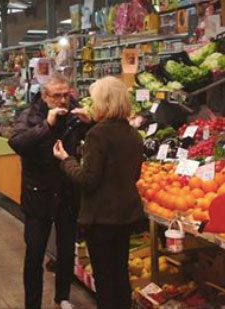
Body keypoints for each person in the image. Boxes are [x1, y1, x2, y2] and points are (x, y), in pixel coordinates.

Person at [53, 76, 145, 309]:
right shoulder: (134, 135)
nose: (93, 106)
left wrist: (67, 160)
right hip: (125, 216)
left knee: (104, 280)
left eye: (95, 101)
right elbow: (134, 176)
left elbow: (87, 180)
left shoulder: (97, 135)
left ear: (104, 103)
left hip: (101, 218)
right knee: (120, 276)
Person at [8, 74, 89, 309]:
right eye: (57, 96)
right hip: (38, 192)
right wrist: (47, 125)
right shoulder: (30, 114)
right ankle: (32, 304)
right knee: (34, 253)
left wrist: (89, 122)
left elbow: (90, 139)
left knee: (66, 251)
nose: (63, 100)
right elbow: (17, 143)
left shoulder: (75, 111)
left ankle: (62, 297)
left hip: (67, 191)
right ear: (45, 96)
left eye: (66, 94)